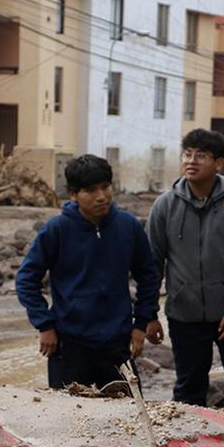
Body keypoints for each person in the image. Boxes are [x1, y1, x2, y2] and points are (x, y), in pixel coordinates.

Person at [146, 127, 224, 416]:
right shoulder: (165, 205)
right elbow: (151, 263)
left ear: (219, 163)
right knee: (189, 390)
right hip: (184, 315)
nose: (192, 161)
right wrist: (148, 313)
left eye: (201, 156)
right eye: (187, 154)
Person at [15, 154, 161, 391]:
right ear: (73, 194)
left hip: (117, 342)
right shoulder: (57, 230)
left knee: (127, 417)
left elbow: (148, 276)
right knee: (68, 417)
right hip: (69, 344)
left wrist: (141, 323)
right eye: (91, 190)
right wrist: (45, 325)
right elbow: (25, 279)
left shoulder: (128, 226)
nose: (101, 197)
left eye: (105, 187)